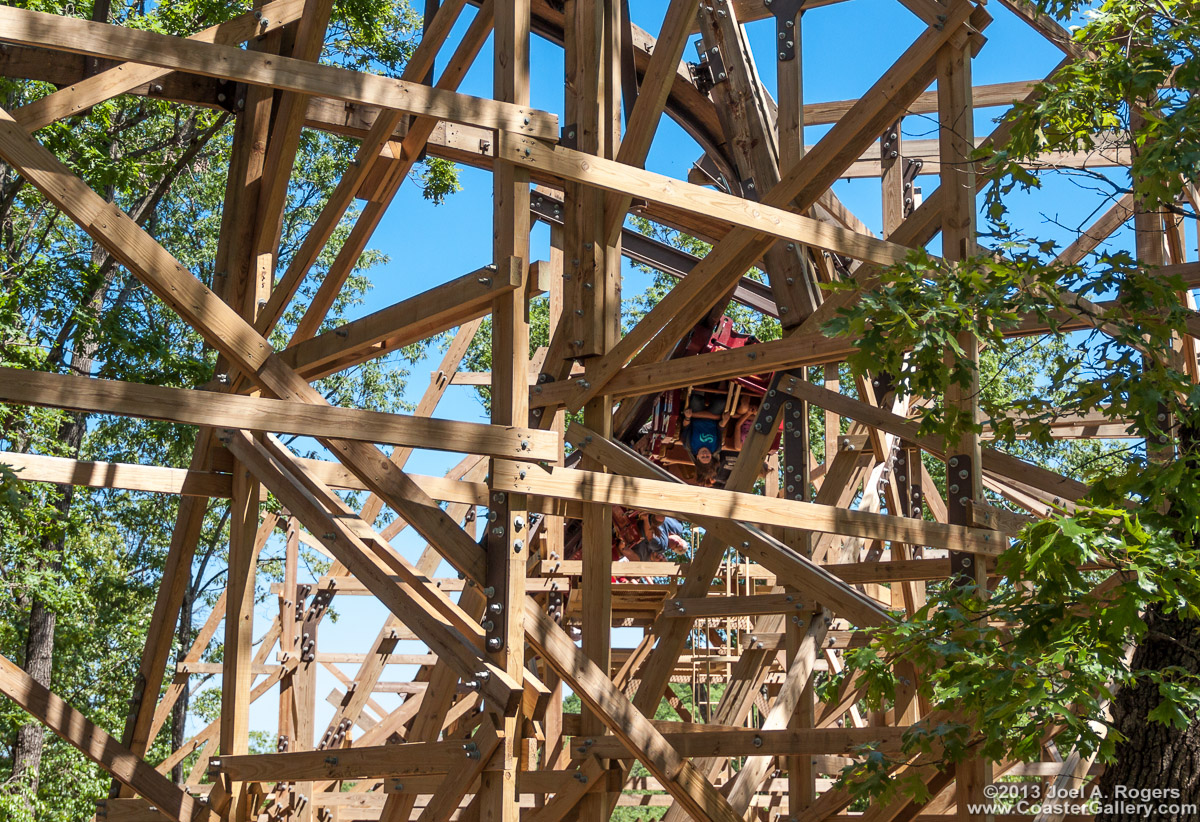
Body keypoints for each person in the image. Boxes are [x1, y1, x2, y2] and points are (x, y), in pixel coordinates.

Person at [681, 392, 728, 484]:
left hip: (696, 415)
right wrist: (725, 421)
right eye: (708, 457)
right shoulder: (716, 448)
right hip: (713, 417)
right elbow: (720, 429)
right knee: (722, 402)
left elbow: (686, 427)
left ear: (698, 457)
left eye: (703, 457)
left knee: (696, 400)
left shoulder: (689, 446)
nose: (705, 454)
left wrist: (687, 418)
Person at [622, 513, 686, 563]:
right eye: (680, 541)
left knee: (659, 519)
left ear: (672, 548)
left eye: (677, 545)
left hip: (642, 516)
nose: (677, 541)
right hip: (658, 504)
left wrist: (646, 518)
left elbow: (650, 537)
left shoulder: (662, 546)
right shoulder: (679, 527)